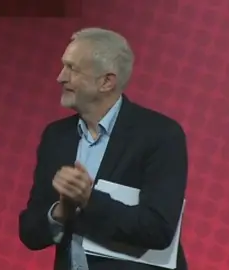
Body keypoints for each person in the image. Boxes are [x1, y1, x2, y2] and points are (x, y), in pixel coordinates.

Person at [18, 27, 188, 270]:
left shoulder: (161, 135)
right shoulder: (56, 136)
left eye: (72, 69)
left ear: (107, 82)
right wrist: (60, 211)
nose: (60, 77)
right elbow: (30, 233)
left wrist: (88, 200)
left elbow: (158, 229)